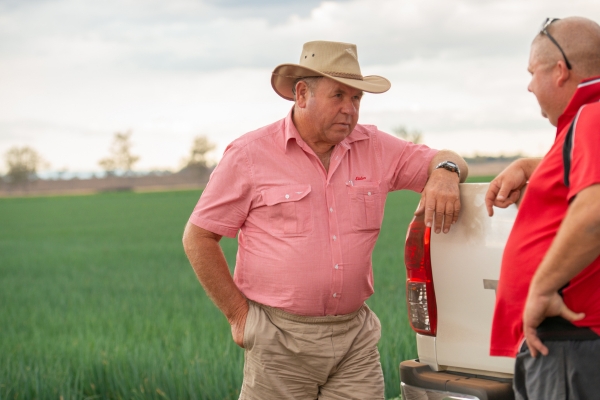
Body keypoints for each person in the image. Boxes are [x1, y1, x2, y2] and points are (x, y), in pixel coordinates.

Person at [183, 40, 468, 400]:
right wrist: (239, 317)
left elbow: (447, 159)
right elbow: (198, 237)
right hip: (279, 341)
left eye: (356, 98)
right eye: (338, 96)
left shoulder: (375, 146)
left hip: (354, 340)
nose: (350, 109)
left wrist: (445, 172)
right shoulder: (250, 155)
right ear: (302, 94)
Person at [486, 17, 600, 400]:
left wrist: (540, 289)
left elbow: (594, 211)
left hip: (572, 344)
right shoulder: (582, 124)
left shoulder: (592, 115)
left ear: (560, 71)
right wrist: (529, 167)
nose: (529, 85)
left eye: (532, 72)